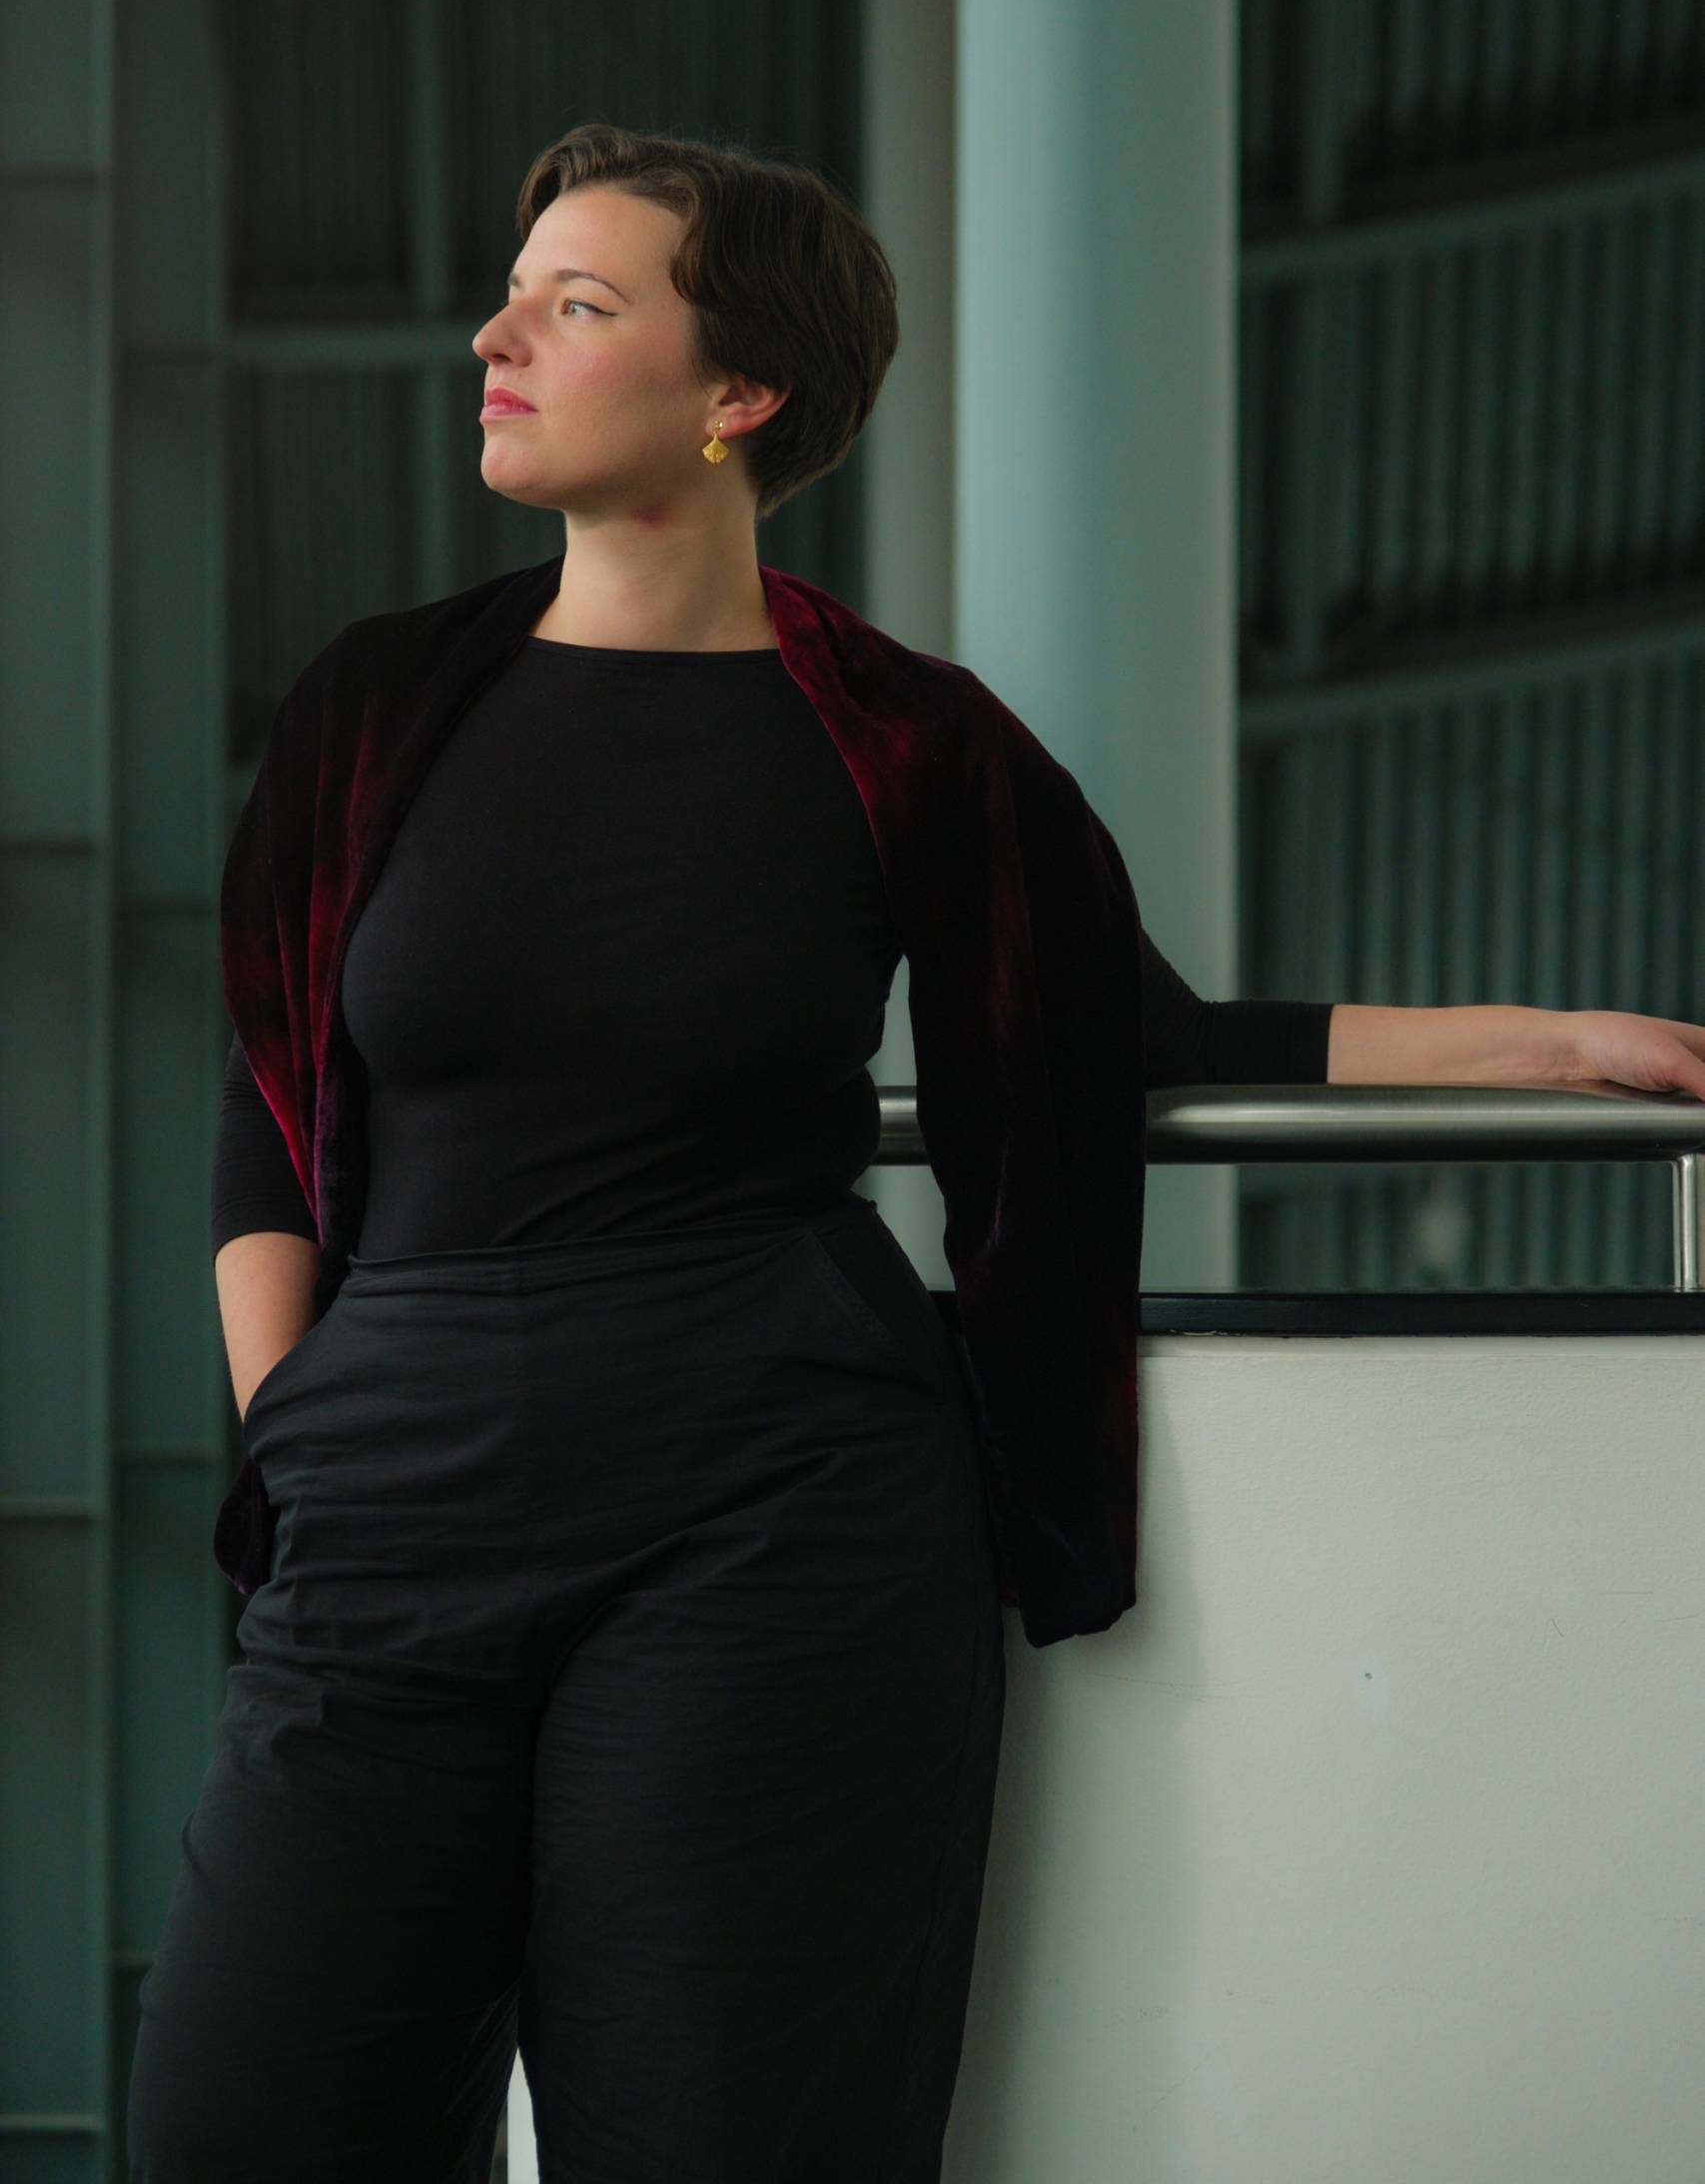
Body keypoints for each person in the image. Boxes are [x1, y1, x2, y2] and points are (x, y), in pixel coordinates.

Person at [126, 122, 1338, 2182]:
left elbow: (1127, 1033)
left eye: (574, 303)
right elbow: (267, 1091)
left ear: (737, 392)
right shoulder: (378, 703)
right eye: (518, 288)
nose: (495, 332)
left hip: (770, 1503)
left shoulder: (903, 736)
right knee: (242, 2128)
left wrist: (1545, 1036)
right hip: (389, 1480)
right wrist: (297, 1422)